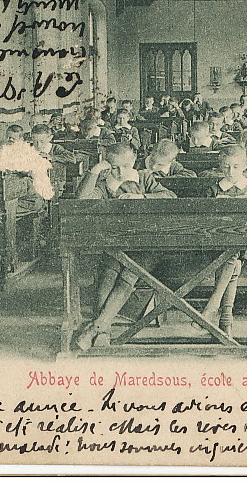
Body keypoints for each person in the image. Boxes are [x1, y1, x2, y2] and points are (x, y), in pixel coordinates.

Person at [74, 143, 176, 350]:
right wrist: (94, 171)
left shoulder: (144, 178)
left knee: (129, 272)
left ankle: (98, 328)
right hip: (118, 245)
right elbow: (82, 199)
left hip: (148, 245)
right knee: (109, 272)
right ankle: (103, 329)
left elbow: (170, 197)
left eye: (124, 166)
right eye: (113, 167)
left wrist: (142, 196)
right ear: (106, 165)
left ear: (133, 161)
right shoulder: (104, 185)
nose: (119, 172)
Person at [201, 145, 247, 335]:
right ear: (220, 166)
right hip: (217, 244)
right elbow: (203, 223)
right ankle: (225, 320)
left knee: (233, 252)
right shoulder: (212, 190)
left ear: (245, 165)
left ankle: (213, 306)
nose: (230, 172)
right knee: (233, 262)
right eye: (226, 167)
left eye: (236, 167)